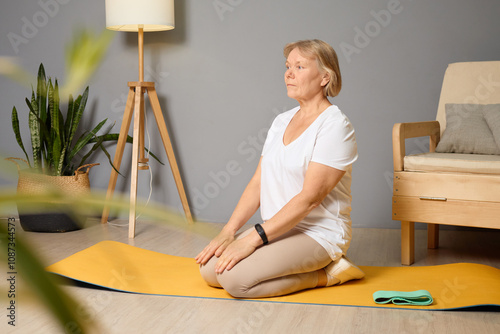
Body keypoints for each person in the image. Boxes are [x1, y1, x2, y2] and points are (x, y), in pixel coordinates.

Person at [195, 39, 364, 298]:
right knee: (209, 269)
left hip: (318, 233)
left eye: (299, 66)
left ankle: (329, 273)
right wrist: (227, 232)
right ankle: (286, 259)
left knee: (236, 280)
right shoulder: (281, 121)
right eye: (287, 66)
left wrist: (253, 238)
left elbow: (310, 199)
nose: (288, 73)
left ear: (324, 77)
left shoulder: (335, 126)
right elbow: (257, 183)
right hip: (279, 228)